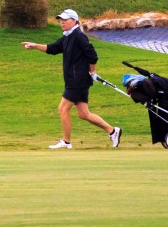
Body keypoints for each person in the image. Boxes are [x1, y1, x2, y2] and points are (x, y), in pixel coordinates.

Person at [22, 8, 121, 150]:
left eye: (65, 20)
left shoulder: (78, 36)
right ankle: (113, 131)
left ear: (74, 21)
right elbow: (53, 48)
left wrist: (92, 72)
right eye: (61, 20)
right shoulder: (67, 36)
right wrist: (35, 45)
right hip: (75, 80)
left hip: (77, 80)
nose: (62, 22)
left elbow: (92, 56)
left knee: (62, 109)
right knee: (83, 114)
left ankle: (66, 142)